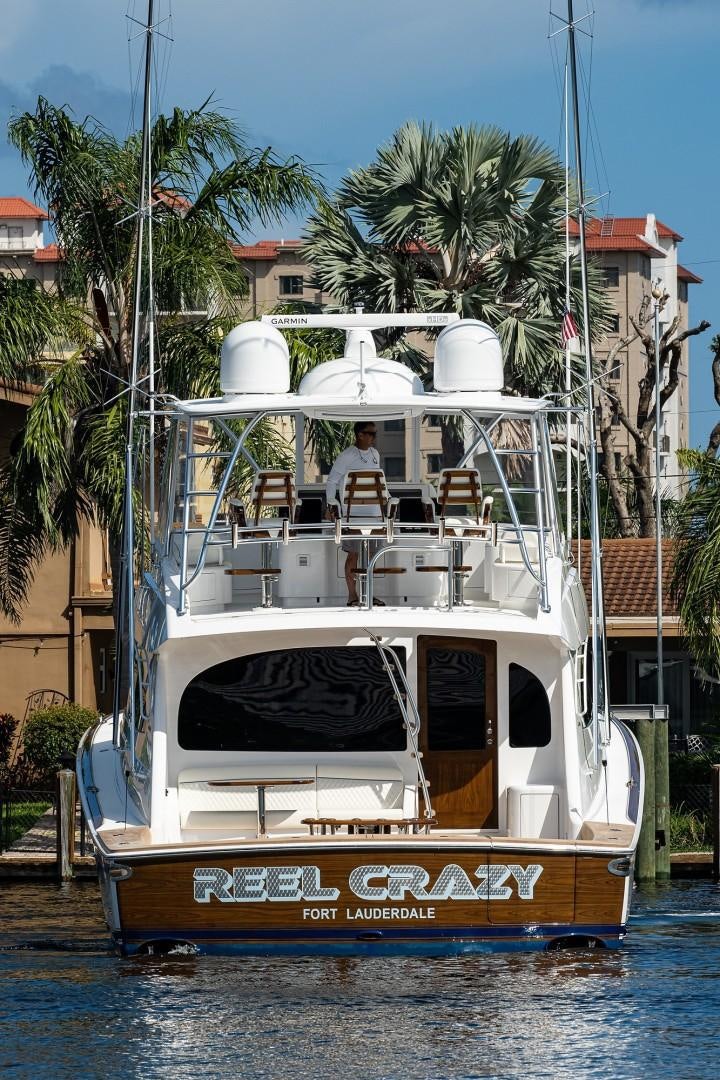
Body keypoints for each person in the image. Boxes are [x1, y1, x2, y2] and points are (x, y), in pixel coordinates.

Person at [325, 421, 384, 605]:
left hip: (375, 514)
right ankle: (352, 596)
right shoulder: (346, 456)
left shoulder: (375, 454)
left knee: (372, 556)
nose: (374, 437)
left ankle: (368, 593)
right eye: (371, 434)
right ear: (360, 434)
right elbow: (332, 481)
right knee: (354, 555)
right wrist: (331, 505)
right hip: (352, 515)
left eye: (375, 434)